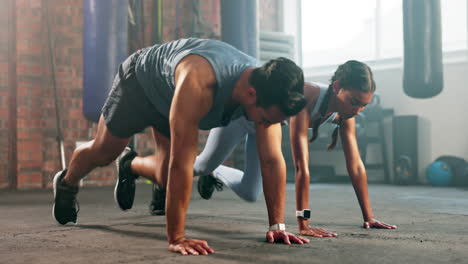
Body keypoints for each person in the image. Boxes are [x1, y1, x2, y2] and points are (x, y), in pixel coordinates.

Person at [52, 38, 310, 256]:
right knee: (106, 150)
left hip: (172, 100)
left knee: (166, 178)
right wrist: (177, 237)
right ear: (251, 95)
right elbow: (182, 161)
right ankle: (67, 181)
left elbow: (272, 160)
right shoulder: (200, 82)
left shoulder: (266, 91)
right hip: (140, 85)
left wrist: (278, 226)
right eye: (265, 119)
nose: (265, 125)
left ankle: (130, 165)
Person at [139, 60, 396, 238]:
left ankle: (216, 173)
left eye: (363, 106)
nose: (357, 110)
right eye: (354, 102)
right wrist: (303, 222)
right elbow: (300, 167)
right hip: (245, 117)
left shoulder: (345, 112)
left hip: (266, 127)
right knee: (200, 165)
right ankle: (135, 163)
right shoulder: (308, 96)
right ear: (338, 87)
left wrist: (369, 217)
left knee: (250, 192)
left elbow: (356, 166)